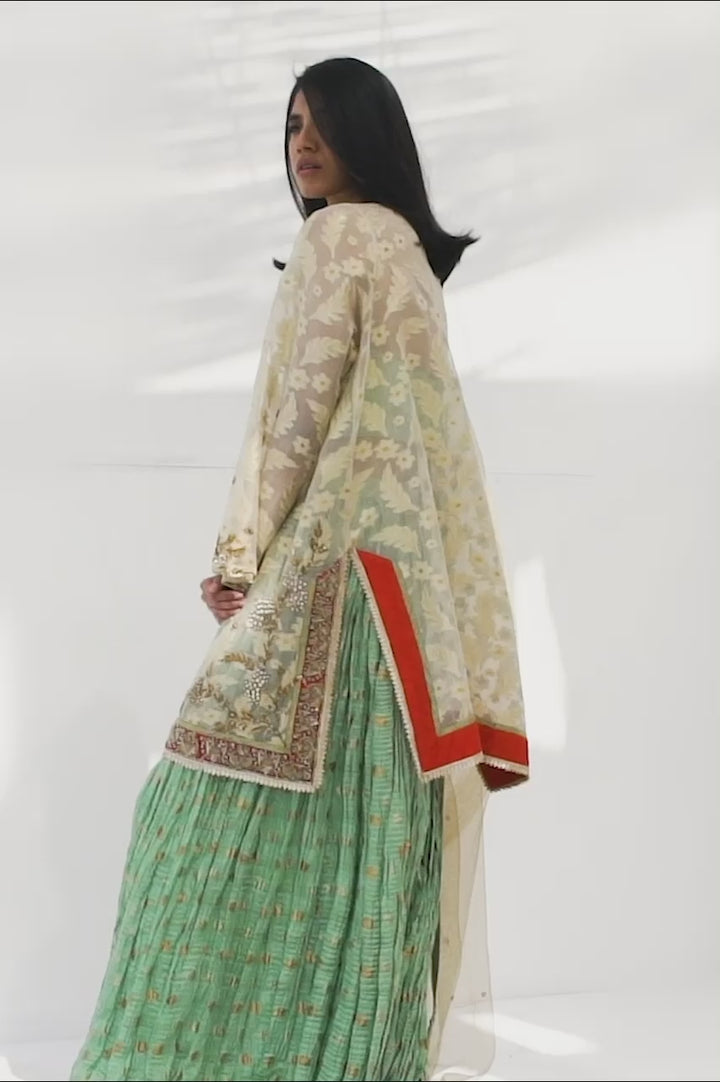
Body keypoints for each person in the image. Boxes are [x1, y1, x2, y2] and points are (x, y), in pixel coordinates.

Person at [70, 57, 528, 1082]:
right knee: (356, 848)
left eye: (323, 124)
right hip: (404, 617)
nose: (303, 145)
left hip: (328, 582)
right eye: (291, 126)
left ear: (370, 135)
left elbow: (294, 412)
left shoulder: (336, 237)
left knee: (186, 829)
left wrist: (239, 554)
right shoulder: (408, 253)